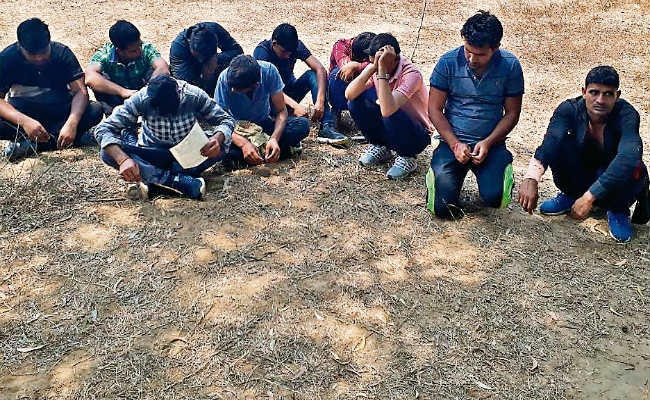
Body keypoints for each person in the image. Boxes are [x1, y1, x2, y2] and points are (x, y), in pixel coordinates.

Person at [518, 66, 649, 242]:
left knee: (632, 165)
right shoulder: (569, 109)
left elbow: (629, 156)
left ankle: (618, 210)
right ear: (584, 92)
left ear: (617, 96)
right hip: (586, 169)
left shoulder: (627, 115)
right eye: (594, 92)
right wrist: (531, 177)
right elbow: (551, 141)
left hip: (612, 176)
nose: (600, 100)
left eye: (608, 94)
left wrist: (589, 196)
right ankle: (572, 195)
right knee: (561, 144)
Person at [426, 11, 524, 218]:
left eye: (480, 55)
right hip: (452, 141)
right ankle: (438, 175)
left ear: (495, 48)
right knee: (442, 208)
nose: (471, 59)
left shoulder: (510, 66)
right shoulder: (447, 62)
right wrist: (454, 144)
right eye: (468, 51)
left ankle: (501, 168)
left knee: (495, 199)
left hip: (492, 144)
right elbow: (434, 109)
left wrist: (488, 142)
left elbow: (512, 113)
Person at [94, 75, 234, 200]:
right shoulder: (141, 98)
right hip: (153, 153)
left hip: (190, 154)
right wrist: (123, 160)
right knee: (108, 153)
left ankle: (153, 180)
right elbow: (103, 129)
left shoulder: (193, 95)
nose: (165, 114)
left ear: (178, 94)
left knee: (224, 144)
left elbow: (226, 120)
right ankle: (176, 181)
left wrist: (217, 139)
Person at [0, 18, 102, 160]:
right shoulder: (7, 58)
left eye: (43, 52)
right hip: (24, 112)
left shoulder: (62, 53)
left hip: (58, 110)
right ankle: (73, 139)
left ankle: (33, 145)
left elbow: (80, 92)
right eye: (32, 55)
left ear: (49, 42)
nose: (39, 58)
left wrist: (72, 123)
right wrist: (24, 121)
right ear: (20, 47)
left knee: (95, 110)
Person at [345, 33, 432, 179]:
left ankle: (407, 156)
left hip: (417, 133)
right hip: (392, 125)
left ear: (394, 59)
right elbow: (349, 94)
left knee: (389, 111)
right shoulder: (378, 67)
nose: (376, 65)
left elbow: (388, 110)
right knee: (355, 102)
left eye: (380, 61)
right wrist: (372, 68)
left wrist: (382, 71)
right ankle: (380, 146)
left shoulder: (411, 74)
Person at [253, 23, 349, 147]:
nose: (288, 56)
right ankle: (282, 123)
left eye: (291, 53)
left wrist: (320, 101)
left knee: (312, 75)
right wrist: (295, 106)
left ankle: (327, 126)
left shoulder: (295, 46)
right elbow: (268, 88)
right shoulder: (262, 53)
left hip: (288, 92)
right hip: (271, 100)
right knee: (296, 124)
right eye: (284, 52)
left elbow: (320, 69)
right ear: (274, 43)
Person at [214, 55, 309, 167]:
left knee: (302, 125)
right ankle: (281, 152)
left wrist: (274, 138)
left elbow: (281, 111)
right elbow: (220, 122)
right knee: (221, 149)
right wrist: (244, 144)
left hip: (263, 125)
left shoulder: (269, 71)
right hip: (238, 130)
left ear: (255, 85)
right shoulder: (223, 79)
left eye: (238, 88)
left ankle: (260, 153)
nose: (232, 90)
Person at [86, 20, 169, 115]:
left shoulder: (146, 49)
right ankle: (115, 116)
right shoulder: (105, 55)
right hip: (117, 96)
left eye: (140, 45)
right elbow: (90, 77)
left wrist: (150, 88)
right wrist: (122, 91)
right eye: (134, 51)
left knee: (159, 76)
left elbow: (162, 67)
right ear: (119, 51)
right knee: (99, 79)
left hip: (144, 94)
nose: (139, 51)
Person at [169, 22, 243, 95]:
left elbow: (238, 52)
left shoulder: (214, 29)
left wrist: (216, 60)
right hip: (191, 72)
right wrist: (205, 74)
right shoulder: (178, 48)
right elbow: (185, 87)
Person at [328, 32, 375, 123]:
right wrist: (362, 66)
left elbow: (380, 62)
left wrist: (359, 66)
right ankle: (336, 110)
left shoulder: (376, 46)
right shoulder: (340, 46)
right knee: (337, 73)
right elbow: (346, 68)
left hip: (364, 88)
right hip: (343, 88)